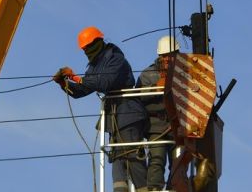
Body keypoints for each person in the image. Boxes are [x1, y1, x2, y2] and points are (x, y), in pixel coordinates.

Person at [54, 26, 148, 192]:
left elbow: (104, 83)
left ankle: (144, 189)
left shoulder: (116, 59)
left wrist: (76, 77)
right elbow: (82, 90)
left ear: (97, 42)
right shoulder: (94, 66)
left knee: (132, 154)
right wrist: (64, 84)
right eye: (83, 49)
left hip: (128, 112)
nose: (85, 51)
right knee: (117, 156)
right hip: (114, 117)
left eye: (87, 47)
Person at [135, 35, 179, 191]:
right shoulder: (148, 74)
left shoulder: (184, 73)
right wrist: (156, 87)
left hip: (177, 126)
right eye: (165, 56)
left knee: (178, 161)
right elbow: (137, 96)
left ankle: (174, 188)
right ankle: (154, 189)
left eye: (171, 56)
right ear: (160, 56)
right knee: (157, 159)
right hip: (155, 126)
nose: (168, 59)